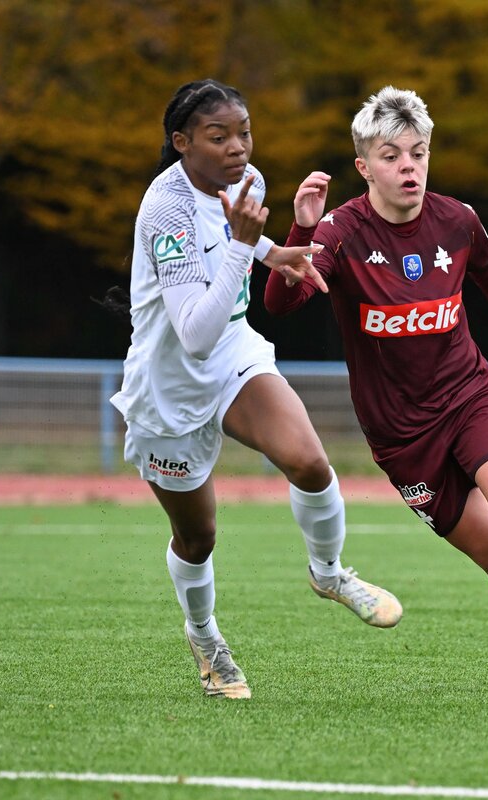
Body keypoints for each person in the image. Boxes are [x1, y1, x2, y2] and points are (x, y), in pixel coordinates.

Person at [265, 86, 488, 686]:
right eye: (391, 157)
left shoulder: (457, 219)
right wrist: (299, 231)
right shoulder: (339, 230)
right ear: (364, 167)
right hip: (401, 436)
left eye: (418, 153)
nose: (408, 167)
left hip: (467, 397)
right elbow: (283, 303)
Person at [108, 79, 402, 701]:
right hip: (169, 387)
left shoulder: (249, 182)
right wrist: (248, 246)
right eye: (218, 137)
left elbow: (229, 243)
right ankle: (205, 638)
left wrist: (272, 251)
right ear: (182, 142)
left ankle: (329, 574)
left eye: (244, 133)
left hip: (233, 353)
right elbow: (192, 335)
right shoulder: (164, 210)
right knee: (199, 537)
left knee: (310, 462)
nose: (238, 148)